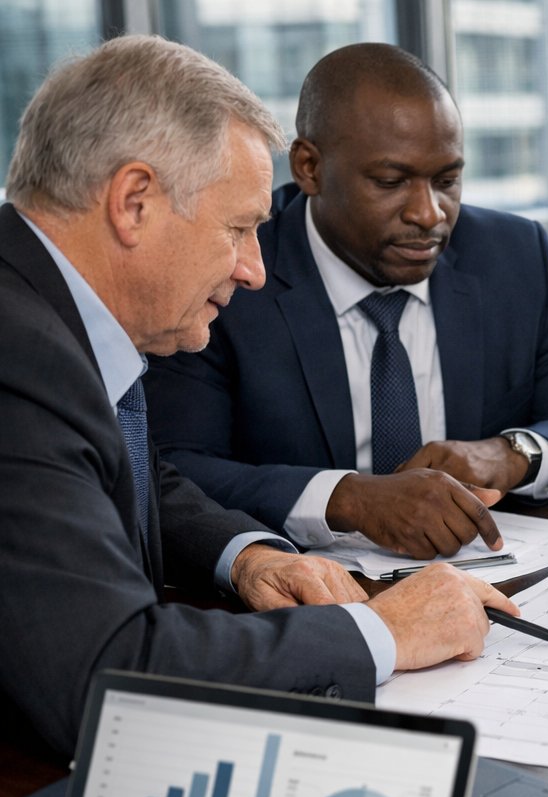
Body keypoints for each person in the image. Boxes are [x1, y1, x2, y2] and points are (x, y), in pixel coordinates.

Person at [0, 36, 518, 755]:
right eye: (239, 228)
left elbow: (123, 473)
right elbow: (106, 675)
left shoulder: (46, 313)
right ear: (134, 202)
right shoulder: (19, 358)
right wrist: (385, 631)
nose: (253, 270)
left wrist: (247, 557)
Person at [146, 43, 548, 561]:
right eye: (391, 181)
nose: (430, 214)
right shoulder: (231, 271)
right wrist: (350, 499)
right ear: (309, 167)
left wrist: (511, 454)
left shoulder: (512, 258)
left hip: (491, 587)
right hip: (298, 599)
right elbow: (170, 469)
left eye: (447, 180)